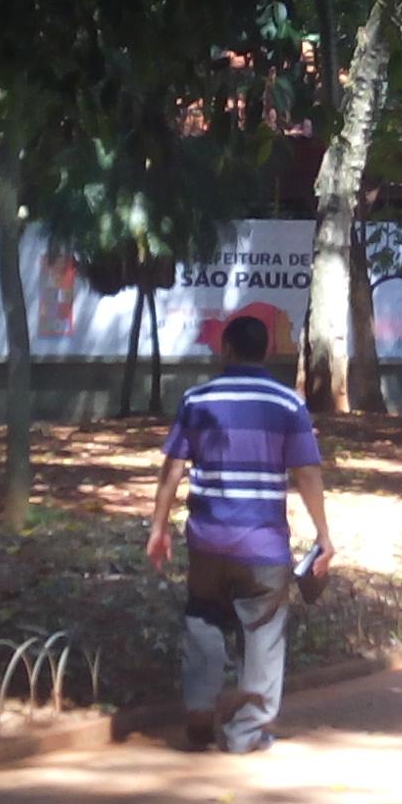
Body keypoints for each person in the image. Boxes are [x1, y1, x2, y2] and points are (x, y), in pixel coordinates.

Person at [145, 313, 333, 752]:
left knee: (203, 617)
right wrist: (323, 534)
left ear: (225, 349)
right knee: (264, 632)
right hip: (263, 543)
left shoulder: (197, 398)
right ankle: (245, 732)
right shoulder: (288, 404)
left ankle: (198, 708)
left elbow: (172, 469)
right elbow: (306, 472)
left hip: (207, 539)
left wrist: (158, 527)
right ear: (266, 351)